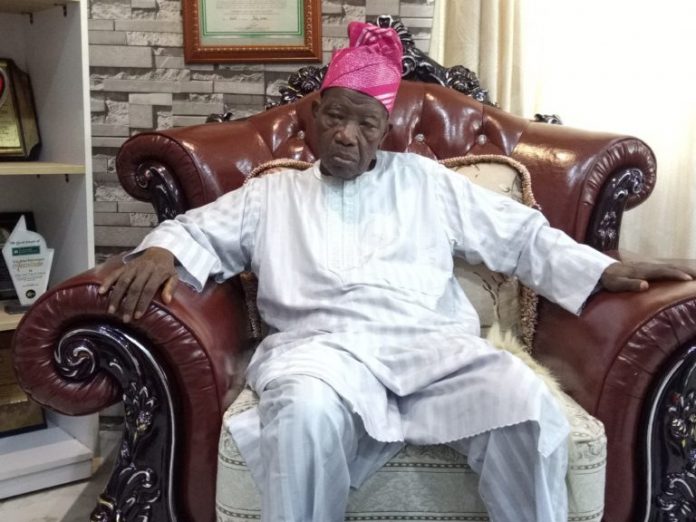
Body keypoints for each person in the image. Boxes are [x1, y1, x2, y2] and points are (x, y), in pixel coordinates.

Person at [99, 22, 694, 522]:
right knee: (303, 415)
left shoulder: (425, 180)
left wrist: (601, 268)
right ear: (314, 115)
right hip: (319, 354)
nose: (345, 135)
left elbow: (519, 236)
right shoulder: (270, 194)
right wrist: (162, 252)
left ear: (384, 131)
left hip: (432, 350)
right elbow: (199, 230)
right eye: (335, 117)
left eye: (364, 124)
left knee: (526, 407)